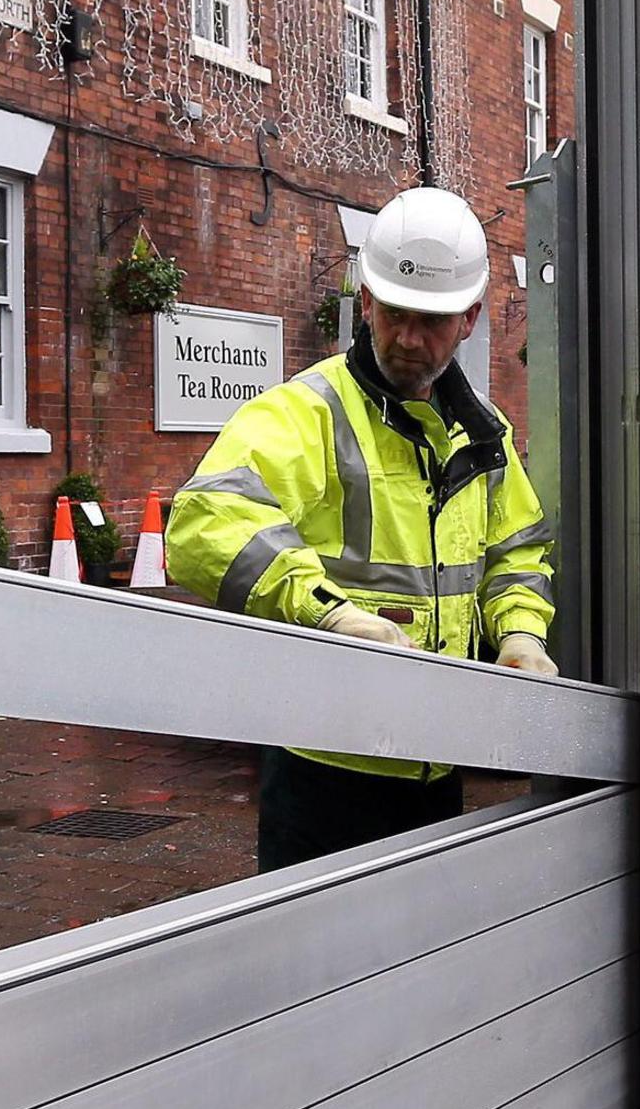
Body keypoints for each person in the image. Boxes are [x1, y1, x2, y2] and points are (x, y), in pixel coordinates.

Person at [168, 186, 558, 871]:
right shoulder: (308, 412)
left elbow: (516, 551)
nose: (408, 338)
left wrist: (521, 633)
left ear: (469, 318)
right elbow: (206, 522)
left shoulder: (483, 434)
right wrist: (331, 614)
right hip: (323, 767)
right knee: (313, 969)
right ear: (367, 301)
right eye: (395, 314)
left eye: (431, 320)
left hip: (436, 768)